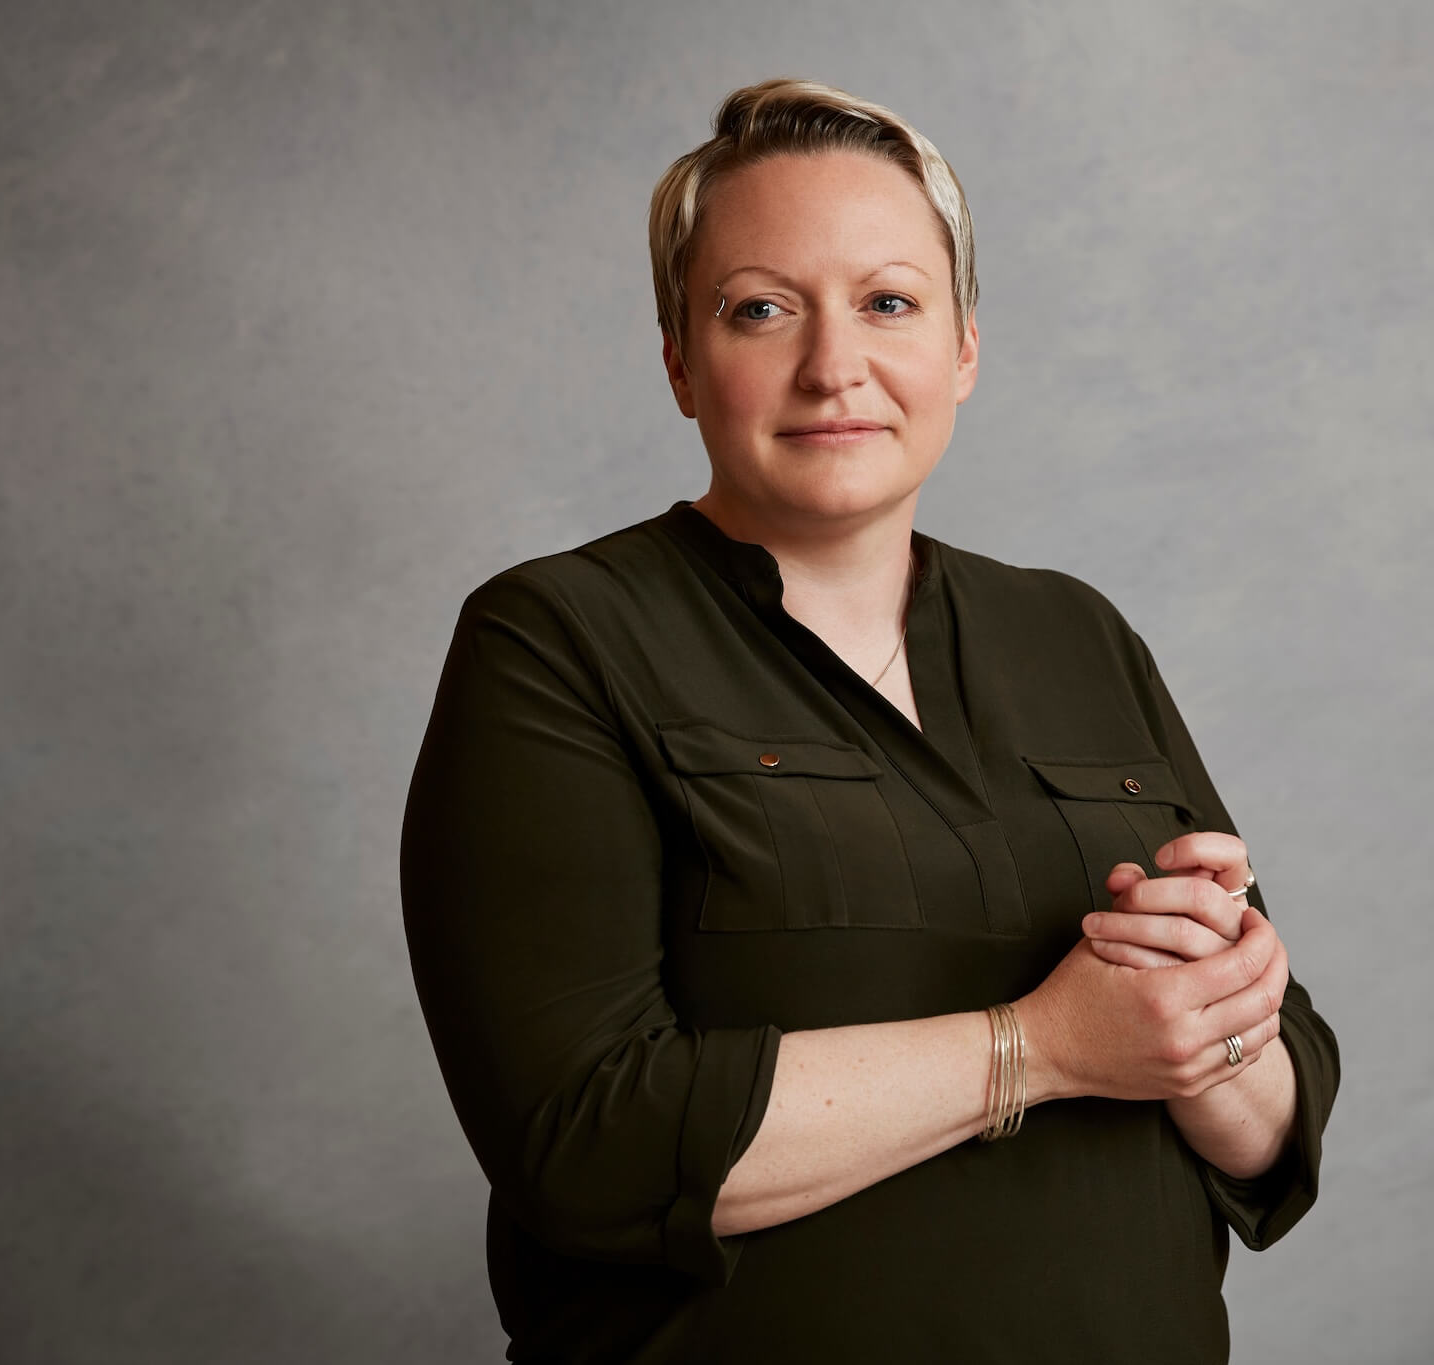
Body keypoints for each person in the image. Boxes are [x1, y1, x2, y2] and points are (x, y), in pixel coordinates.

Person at [400, 77, 1340, 1364]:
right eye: (760, 309)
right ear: (680, 361)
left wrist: (1214, 1008)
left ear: (963, 347)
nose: (832, 366)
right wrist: (1039, 1049)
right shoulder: (558, 639)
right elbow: (584, 1142)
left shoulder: (1076, 633)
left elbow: (1275, 1117)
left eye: (888, 302)